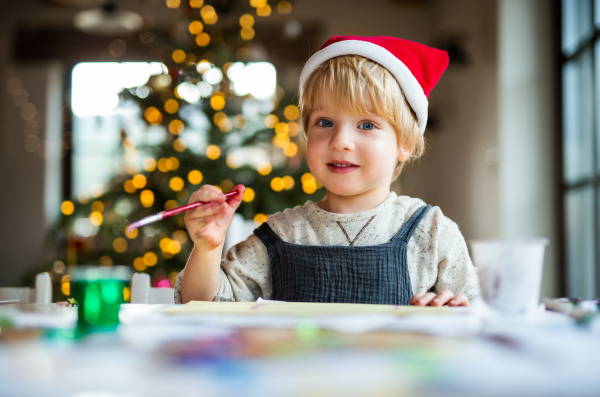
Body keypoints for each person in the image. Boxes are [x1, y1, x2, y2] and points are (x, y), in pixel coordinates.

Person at [174, 35, 480, 306]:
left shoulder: (433, 232)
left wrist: (453, 308)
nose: (340, 141)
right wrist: (207, 249)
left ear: (406, 143)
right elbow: (202, 305)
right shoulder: (281, 234)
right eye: (325, 122)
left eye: (367, 125)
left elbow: (477, 317)